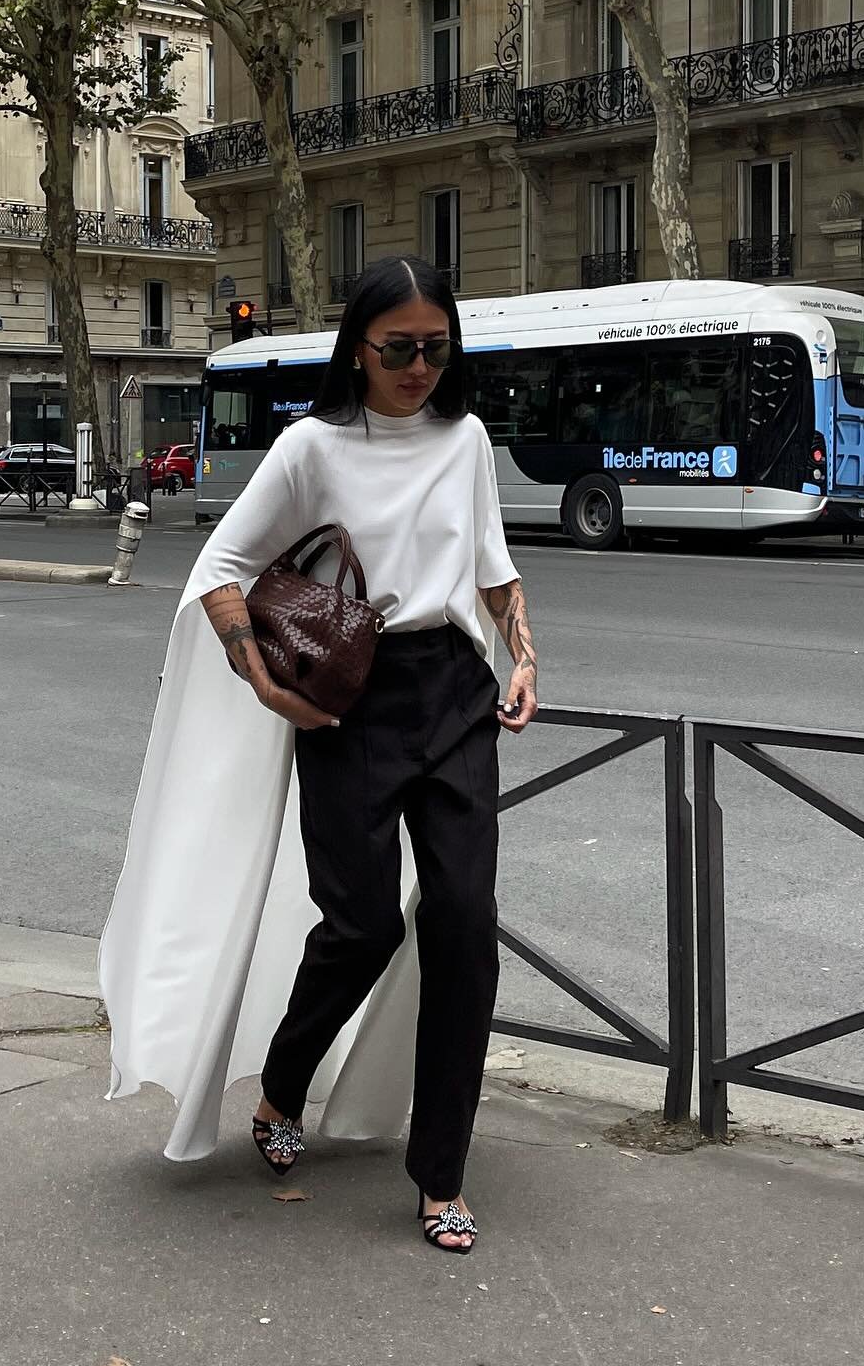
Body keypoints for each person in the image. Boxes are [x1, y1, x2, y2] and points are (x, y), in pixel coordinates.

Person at [100, 255, 538, 1257]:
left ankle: (441, 1176)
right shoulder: (311, 447)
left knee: (468, 927)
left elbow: (494, 570)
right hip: (350, 700)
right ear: (358, 347)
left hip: (454, 691)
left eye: (437, 348)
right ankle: (287, 1082)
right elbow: (221, 566)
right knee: (361, 924)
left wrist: (524, 664)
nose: (420, 367)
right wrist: (262, 680)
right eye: (399, 349)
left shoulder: (465, 439)